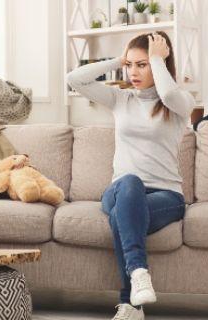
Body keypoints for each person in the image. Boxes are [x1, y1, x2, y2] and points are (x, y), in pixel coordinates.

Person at [66, 31, 196, 320]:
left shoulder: (178, 104)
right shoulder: (120, 98)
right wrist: (116, 59)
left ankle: (130, 305)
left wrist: (157, 60)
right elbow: (74, 79)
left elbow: (169, 93)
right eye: (130, 65)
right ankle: (139, 273)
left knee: (122, 217)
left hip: (166, 195)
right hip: (120, 189)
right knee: (130, 183)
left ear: (160, 64)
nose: (133, 72)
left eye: (143, 65)